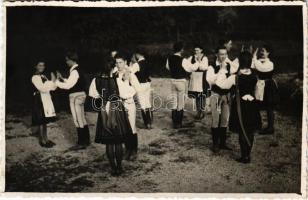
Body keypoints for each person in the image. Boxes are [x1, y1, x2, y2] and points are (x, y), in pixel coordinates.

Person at [216, 51, 261, 163]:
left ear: (240, 62)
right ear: (250, 62)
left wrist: (222, 70)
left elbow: (221, 85)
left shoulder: (234, 77)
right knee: (250, 130)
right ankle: (247, 155)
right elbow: (258, 92)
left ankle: (244, 156)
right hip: (252, 105)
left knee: (242, 130)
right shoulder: (255, 76)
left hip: (240, 106)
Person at [89, 63, 133, 176]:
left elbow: (93, 94)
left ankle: (113, 168)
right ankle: (119, 167)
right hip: (116, 107)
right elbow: (126, 93)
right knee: (118, 141)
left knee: (109, 141)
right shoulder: (116, 80)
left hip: (104, 107)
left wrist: (103, 98)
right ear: (112, 68)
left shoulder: (95, 80)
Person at [56, 52, 90, 150]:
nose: (66, 62)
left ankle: (81, 142)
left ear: (72, 60)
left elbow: (68, 86)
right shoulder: (78, 70)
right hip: (81, 95)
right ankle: (86, 141)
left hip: (76, 97)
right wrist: (62, 79)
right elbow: (72, 82)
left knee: (77, 119)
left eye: (67, 60)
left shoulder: (74, 71)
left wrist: (57, 82)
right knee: (82, 118)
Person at [112, 53, 140, 160]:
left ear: (125, 63)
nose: (118, 65)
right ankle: (127, 149)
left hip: (128, 102)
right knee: (122, 127)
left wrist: (129, 94)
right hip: (118, 103)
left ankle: (134, 150)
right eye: (117, 63)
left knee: (131, 126)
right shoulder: (114, 74)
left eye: (120, 62)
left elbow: (137, 88)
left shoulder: (131, 74)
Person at [206, 45, 234, 153]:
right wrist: (220, 71)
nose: (223, 56)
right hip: (216, 95)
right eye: (221, 54)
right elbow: (210, 81)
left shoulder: (229, 66)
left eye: (225, 54)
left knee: (224, 119)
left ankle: (223, 143)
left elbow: (231, 81)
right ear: (216, 55)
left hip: (226, 96)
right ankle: (215, 144)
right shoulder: (211, 66)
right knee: (216, 119)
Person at [166, 42, 199, 128]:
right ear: (181, 50)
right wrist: (197, 62)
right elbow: (191, 68)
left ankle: (174, 122)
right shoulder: (183, 60)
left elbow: (168, 67)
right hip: (181, 81)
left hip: (173, 81)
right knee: (181, 103)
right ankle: (178, 123)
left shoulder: (169, 58)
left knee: (174, 102)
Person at [252, 45, 278, 135]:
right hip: (260, 85)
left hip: (268, 86)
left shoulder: (270, 63)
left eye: (264, 51)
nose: (262, 53)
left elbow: (261, 68)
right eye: (261, 51)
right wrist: (254, 58)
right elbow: (252, 66)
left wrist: (254, 58)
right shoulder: (259, 61)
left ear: (268, 53)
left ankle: (270, 128)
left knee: (269, 107)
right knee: (257, 105)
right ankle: (258, 125)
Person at [31, 61, 57, 148]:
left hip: (45, 98)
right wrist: (51, 82)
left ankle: (46, 139)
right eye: (40, 65)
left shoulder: (43, 76)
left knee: (45, 121)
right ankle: (42, 140)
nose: (42, 67)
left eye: (43, 65)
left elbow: (53, 88)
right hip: (39, 99)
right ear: (35, 66)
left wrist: (54, 81)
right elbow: (42, 88)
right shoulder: (35, 77)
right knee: (41, 120)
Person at [130, 52, 153, 129]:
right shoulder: (148, 62)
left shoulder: (137, 65)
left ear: (137, 55)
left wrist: (131, 64)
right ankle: (150, 121)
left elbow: (130, 72)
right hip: (147, 84)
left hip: (140, 85)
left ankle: (147, 123)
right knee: (147, 102)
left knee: (142, 104)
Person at [187, 44, 209, 120]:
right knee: (196, 96)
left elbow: (204, 67)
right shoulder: (191, 57)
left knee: (202, 96)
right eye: (195, 50)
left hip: (202, 78)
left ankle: (202, 111)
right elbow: (188, 66)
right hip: (194, 78)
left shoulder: (205, 58)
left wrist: (198, 61)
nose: (196, 51)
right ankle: (198, 112)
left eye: (197, 50)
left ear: (201, 50)